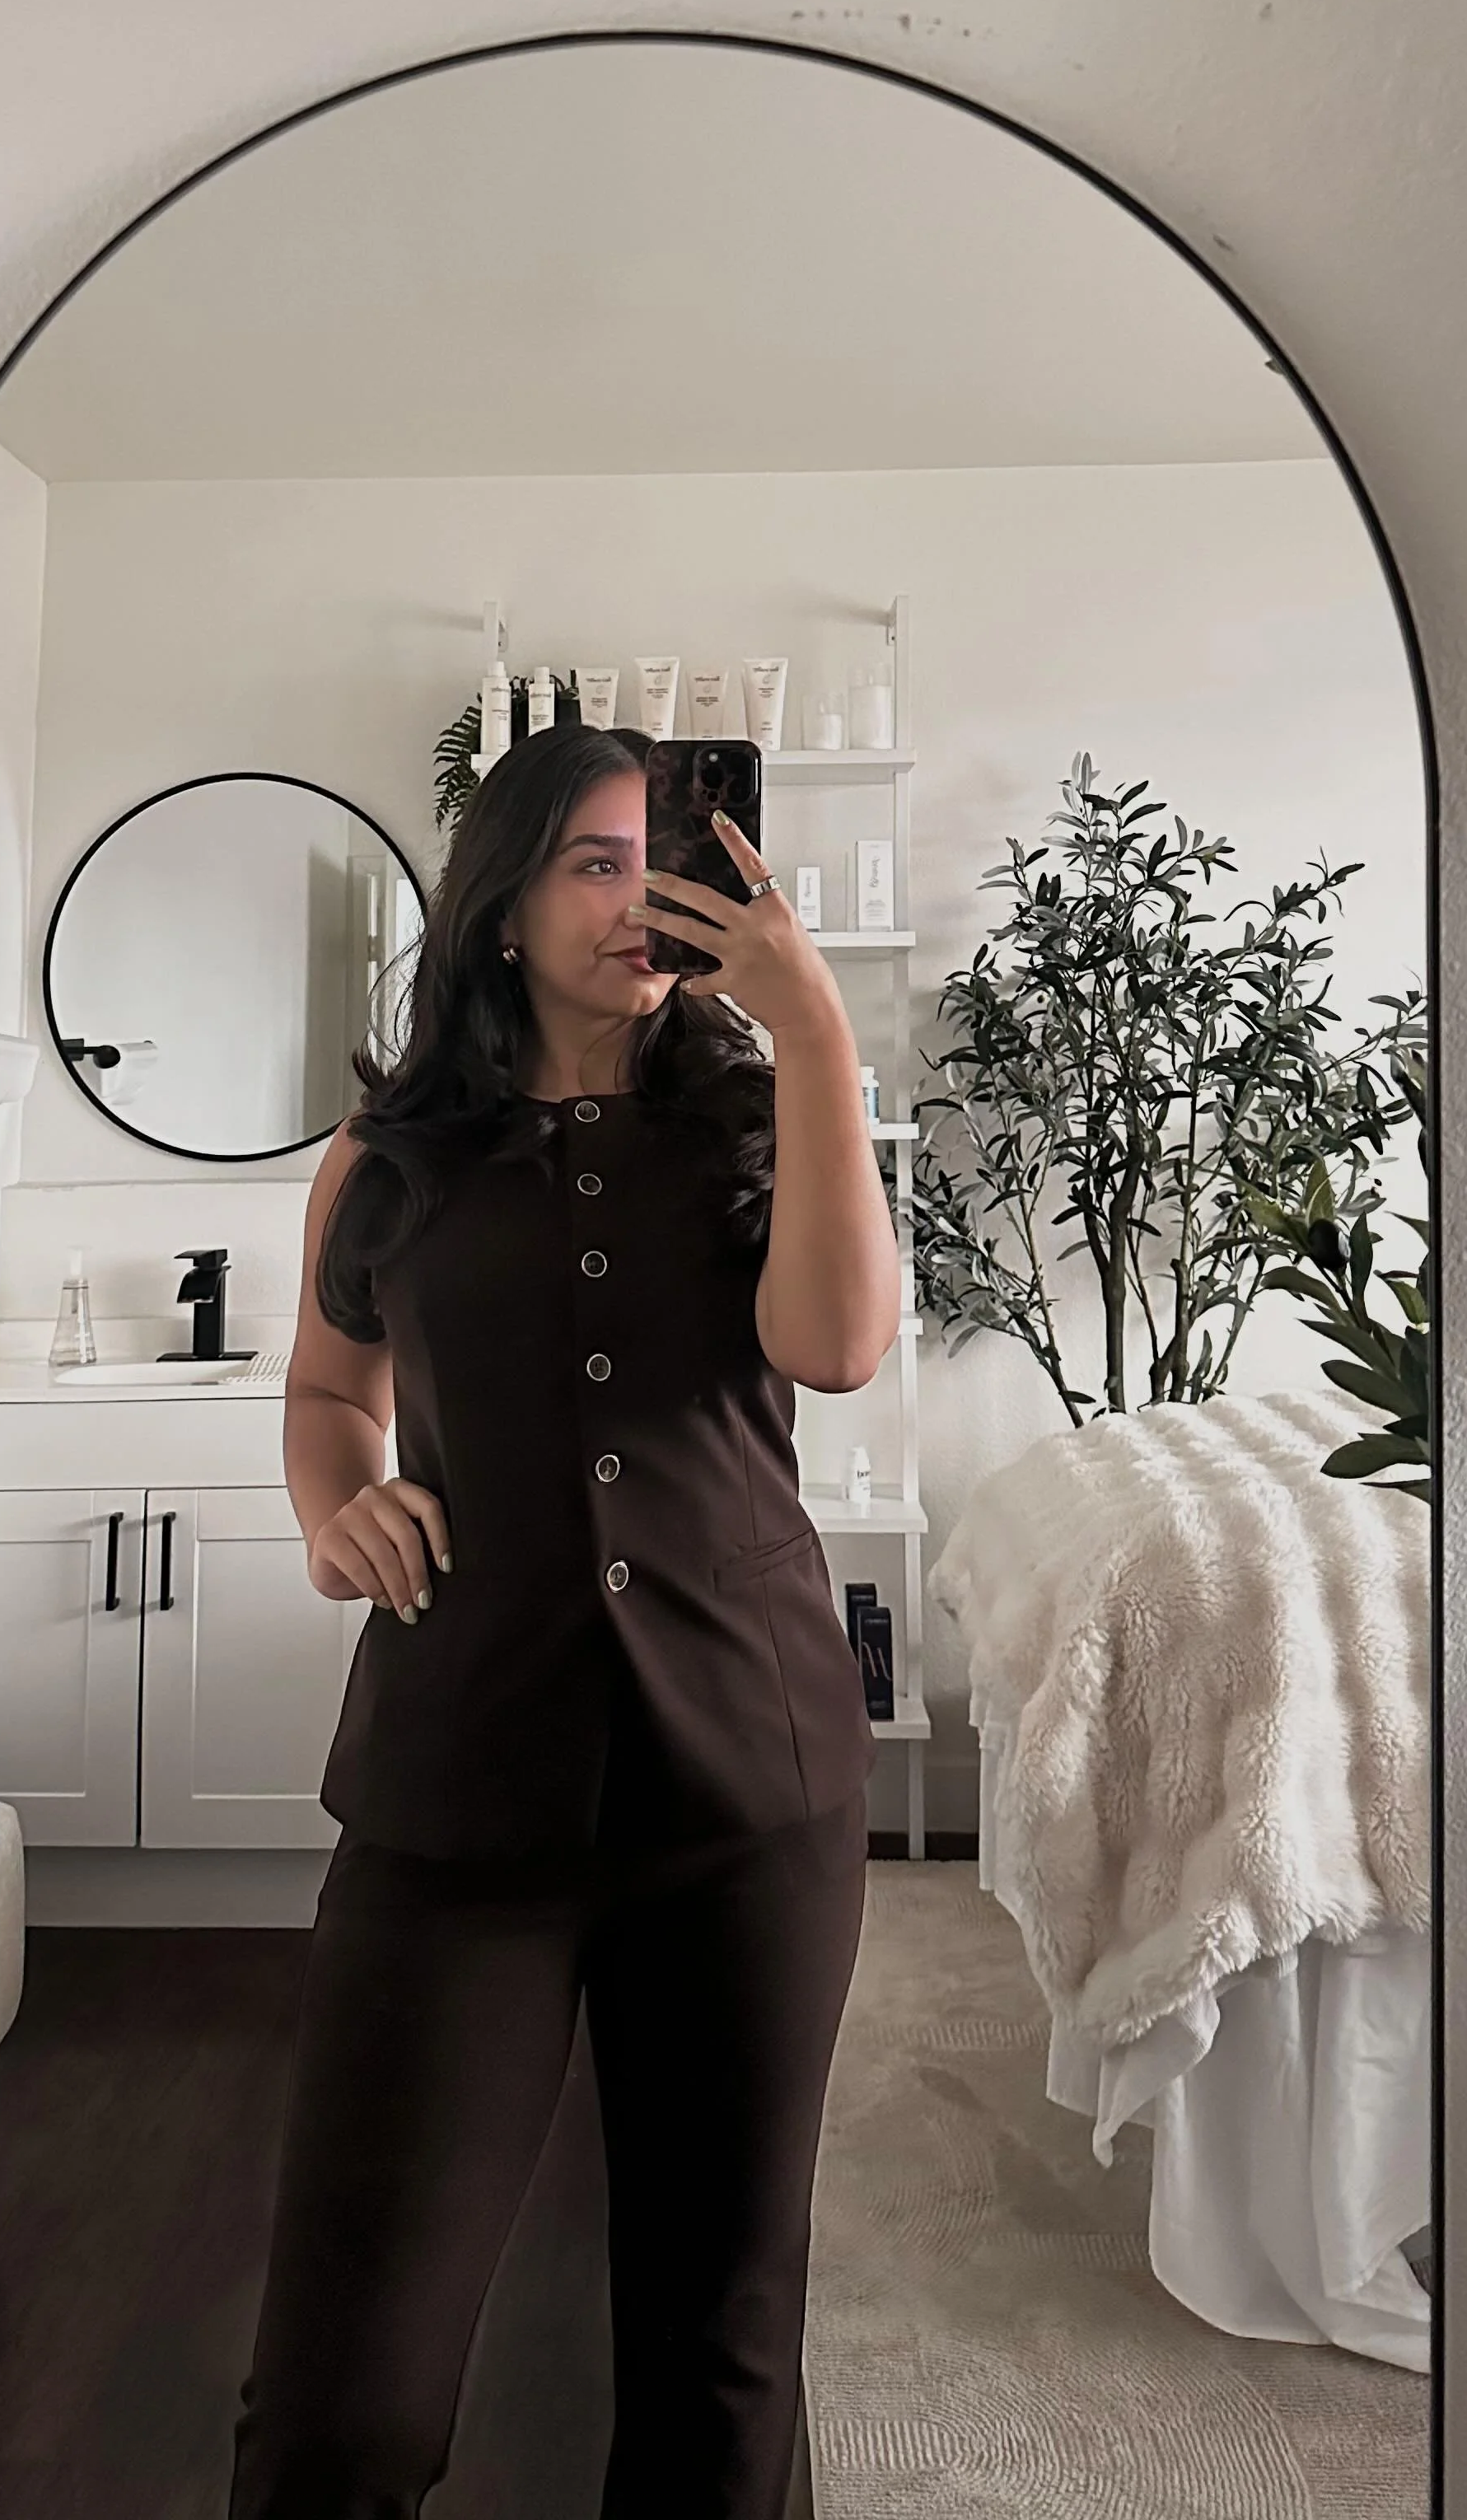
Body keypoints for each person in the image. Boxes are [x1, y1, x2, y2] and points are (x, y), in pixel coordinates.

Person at [228, 722, 899, 2519]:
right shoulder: (386, 1152)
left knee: (716, 2357)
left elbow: (837, 1347)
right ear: (503, 903)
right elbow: (327, 1393)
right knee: (346, 2397)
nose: (637, 900)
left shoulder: (759, 1115)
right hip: (458, 1789)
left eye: (660, 860)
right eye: (595, 863)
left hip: (749, 1794)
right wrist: (334, 1506)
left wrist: (817, 1034)